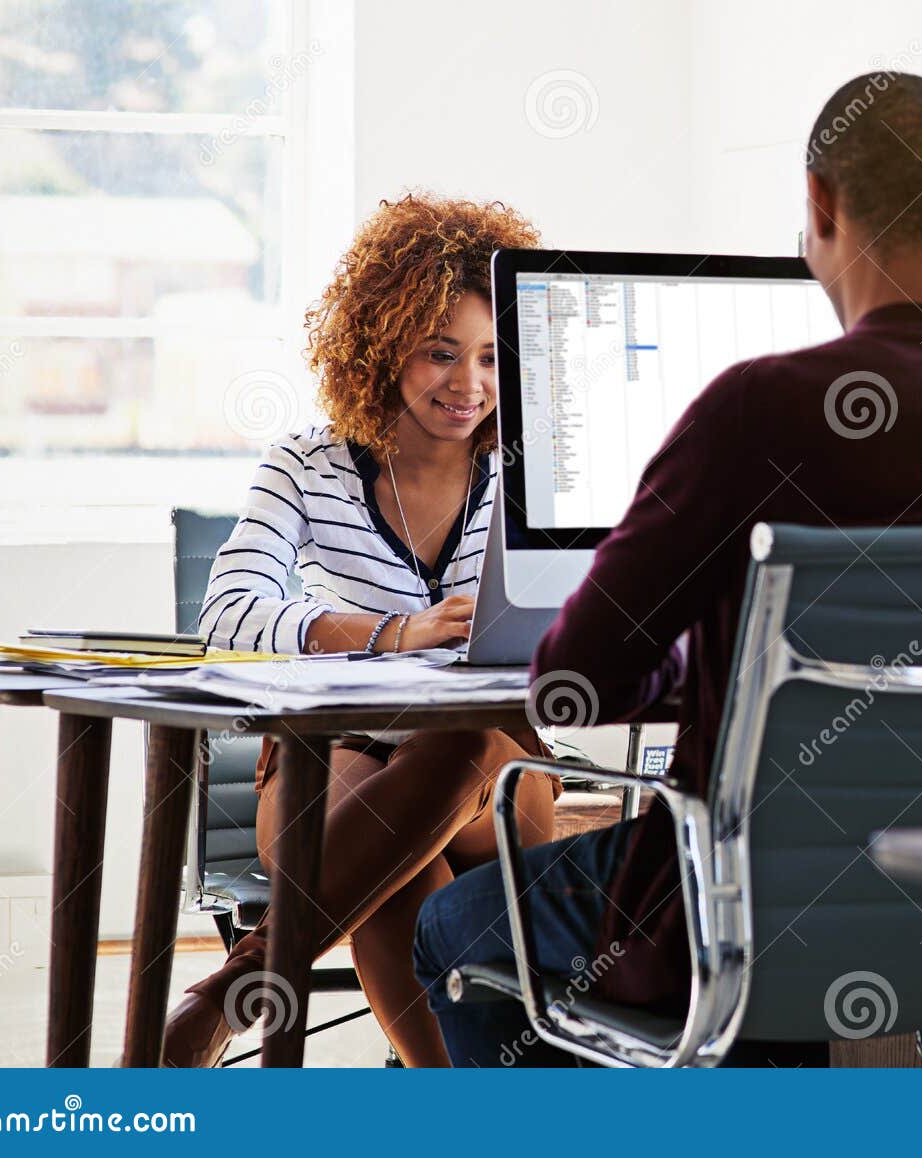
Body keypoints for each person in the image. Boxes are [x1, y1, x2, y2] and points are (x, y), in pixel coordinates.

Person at [412, 72, 922, 1065]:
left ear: (816, 205)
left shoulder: (753, 413)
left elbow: (575, 686)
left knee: (455, 930)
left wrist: (715, 676)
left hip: (745, 921)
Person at [162, 194, 562, 1067]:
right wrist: (390, 633)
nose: (469, 386)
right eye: (441, 353)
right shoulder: (309, 465)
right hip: (334, 754)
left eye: (495, 359)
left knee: (460, 748)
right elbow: (228, 614)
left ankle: (228, 996)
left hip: (500, 768)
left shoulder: (533, 477)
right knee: (389, 874)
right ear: (383, 347)